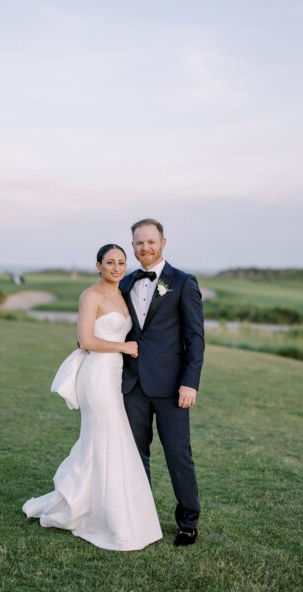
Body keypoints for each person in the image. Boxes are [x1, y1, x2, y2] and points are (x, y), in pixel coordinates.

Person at [22, 244, 162, 551]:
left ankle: (104, 506)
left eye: (121, 262)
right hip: (97, 375)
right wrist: (122, 348)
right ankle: (99, 515)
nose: (116, 267)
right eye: (110, 262)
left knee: (111, 441)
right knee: (107, 438)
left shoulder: (122, 293)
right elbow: (85, 339)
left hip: (116, 376)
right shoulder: (91, 296)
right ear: (97, 265)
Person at [119, 219, 205, 546]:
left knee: (178, 455)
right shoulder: (125, 283)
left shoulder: (182, 282)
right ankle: (142, 516)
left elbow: (195, 338)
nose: (145, 248)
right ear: (133, 246)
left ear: (163, 242)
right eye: (139, 243)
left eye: (151, 242)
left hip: (172, 388)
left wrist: (190, 383)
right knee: (135, 455)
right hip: (132, 386)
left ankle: (188, 522)